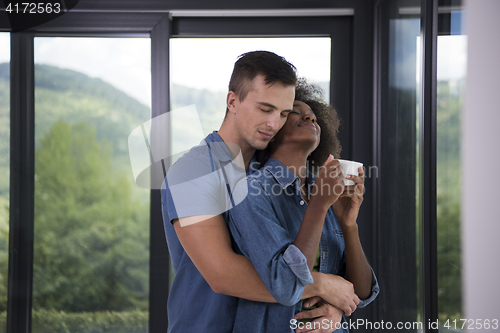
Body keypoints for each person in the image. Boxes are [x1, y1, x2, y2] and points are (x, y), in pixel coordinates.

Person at [161, 51, 361, 333]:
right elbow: (223, 275)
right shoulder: (192, 173)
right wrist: (322, 285)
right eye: (265, 109)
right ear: (232, 101)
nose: (273, 124)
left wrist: (332, 309)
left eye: (282, 113)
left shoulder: (278, 173)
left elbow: (299, 255)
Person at [228, 79, 379, 333]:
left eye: (313, 117)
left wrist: (348, 224)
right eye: (295, 112)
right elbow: (286, 284)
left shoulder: (325, 192)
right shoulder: (251, 191)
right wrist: (318, 206)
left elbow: (361, 293)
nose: (309, 119)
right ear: (272, 126)